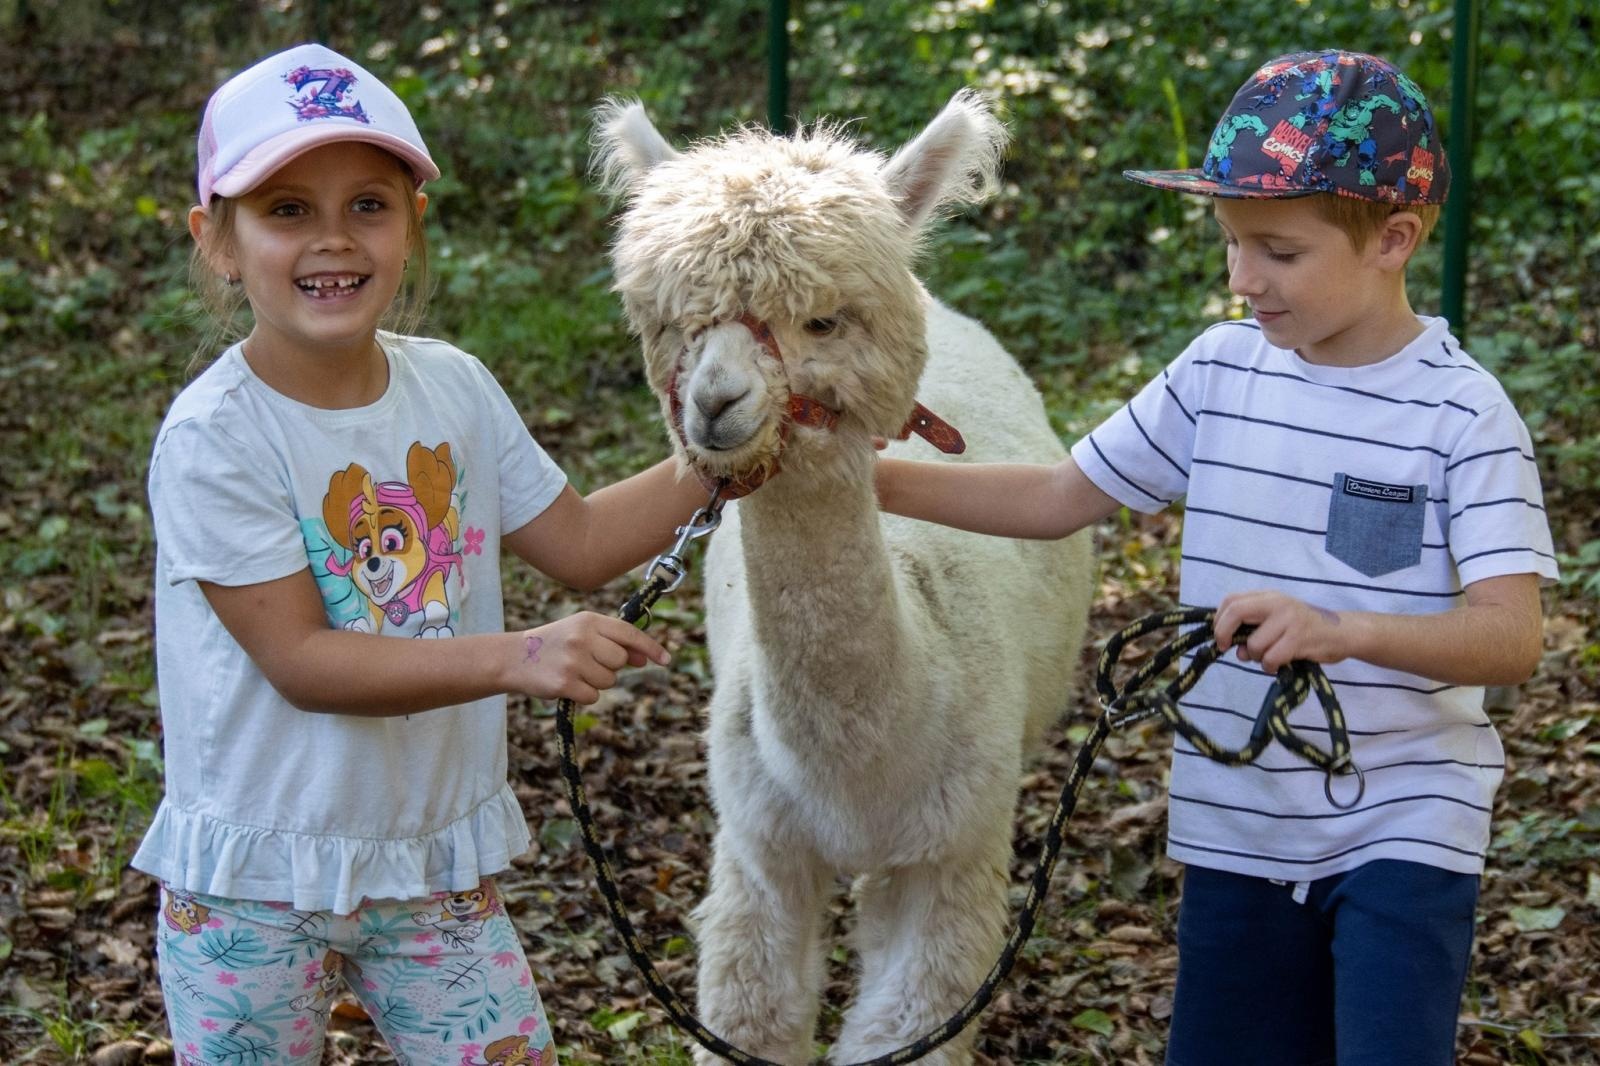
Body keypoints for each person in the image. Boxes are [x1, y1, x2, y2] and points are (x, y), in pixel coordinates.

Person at [876, 49, 1557, 1066]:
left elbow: (1511, 638)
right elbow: (1060, 497)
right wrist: (868, 482)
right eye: (1232, 243)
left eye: (1278, 251)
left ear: (1395, 239)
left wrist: (1341, 630)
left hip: (1405, 829)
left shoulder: (1464, 415)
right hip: (1236, 825)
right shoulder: (1218, 370)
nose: (1242, 278)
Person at [132, 43, 708, 1066]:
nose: (333, 238)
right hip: (255, 878)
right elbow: (303, 661)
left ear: (413, 224)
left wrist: (738, 453)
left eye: (368, 205)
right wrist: (518, 655)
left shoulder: (453, 387)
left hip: (431, 864)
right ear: (216, 240)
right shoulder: (216, 435)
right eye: (287, 210)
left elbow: (580, 543)